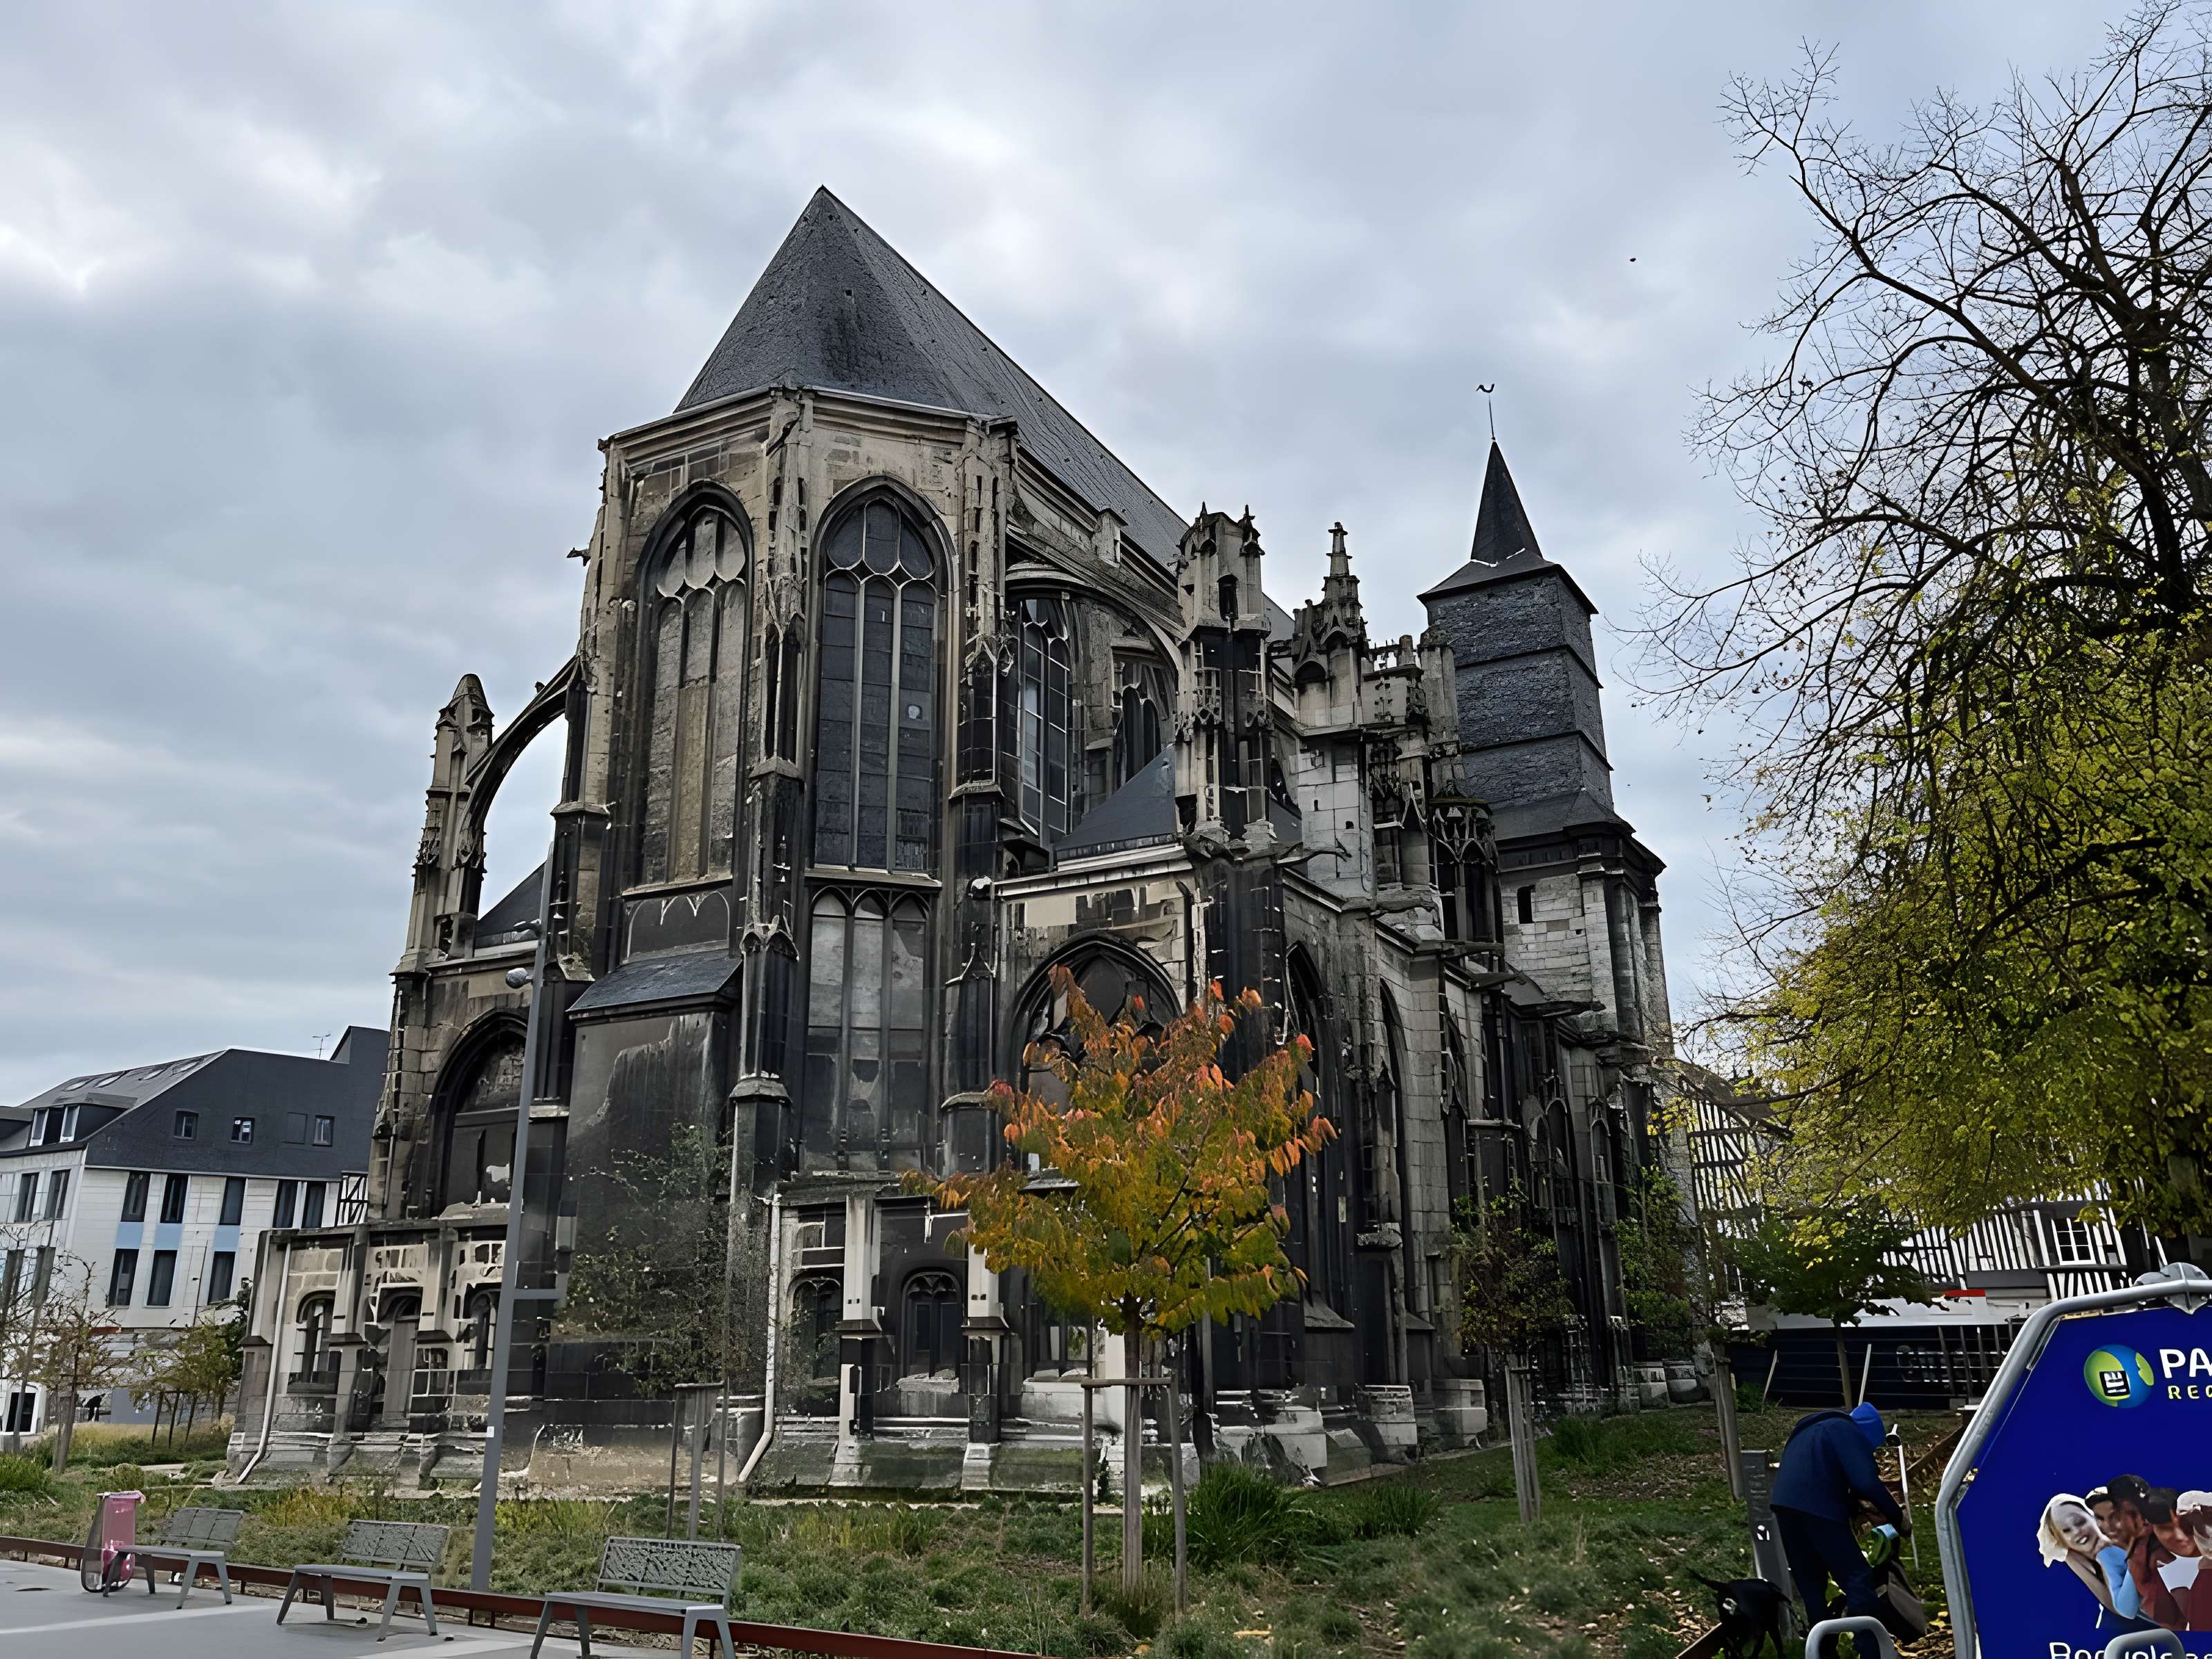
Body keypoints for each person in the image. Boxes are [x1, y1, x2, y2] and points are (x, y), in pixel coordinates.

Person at [1771, 1401, 1909, 1629]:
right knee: (1858, 1577)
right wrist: (1897, 1518)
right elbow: (1866, 1481)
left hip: (1785, 1507)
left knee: (1812, 1584)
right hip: (1818, 1505)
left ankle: (1821, 1651)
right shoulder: (1845, 1430)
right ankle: (1870, 1648)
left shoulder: (1811, 1432)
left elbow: (1826, 1474)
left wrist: (1854, 1508)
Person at [2040, 1493, 2141, 1624]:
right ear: (2060, 1540)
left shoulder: (2112, 1548)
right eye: (2066, 1531)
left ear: (2093, 1517)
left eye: (2079, 1522)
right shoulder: (2086, 1557)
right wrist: (2072, 1560)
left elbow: (2124, 1611)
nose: (2076, 1532)